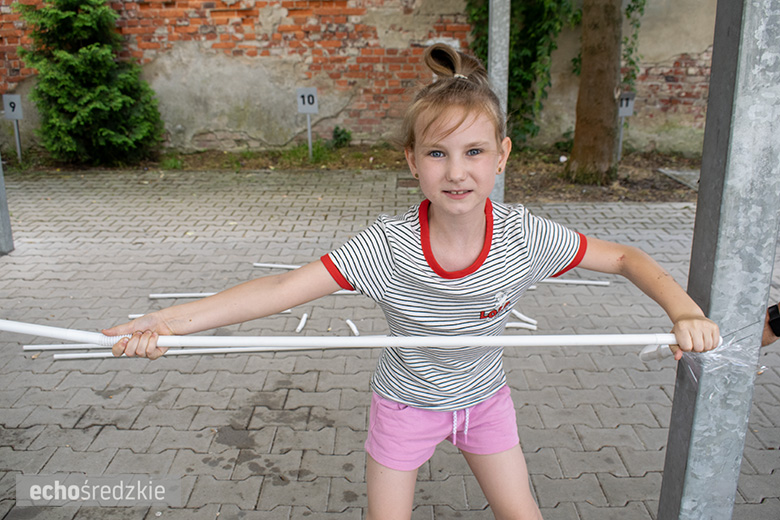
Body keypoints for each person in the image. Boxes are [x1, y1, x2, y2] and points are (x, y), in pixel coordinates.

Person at [106, 43, 720, 520]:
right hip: (405, 406)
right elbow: (278, 291)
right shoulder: (387, 247)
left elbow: (625, 258)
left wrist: (684, 310)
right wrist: (165, 323)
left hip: (485, 403)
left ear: (502, 156)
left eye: (475, 152)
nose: (457, 172)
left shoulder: (526, 237)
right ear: (411, 160)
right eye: (437, 154)